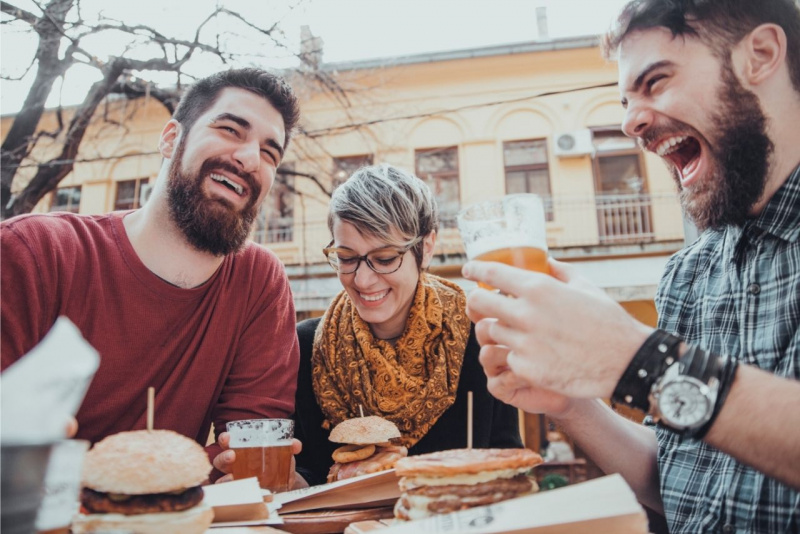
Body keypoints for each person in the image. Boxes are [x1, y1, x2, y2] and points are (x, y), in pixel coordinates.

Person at [462, 0, 800, 532]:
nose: (629, 122)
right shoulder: (688, 275)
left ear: (760, 54)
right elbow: (681, 479)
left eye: (656, 81)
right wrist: (573, 404)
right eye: (625, 99)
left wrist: (638, 359)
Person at [1, 68, 302, 481]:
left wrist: (233, 470)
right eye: (231, 129)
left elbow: (248, 449)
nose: (251, 159)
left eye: (270, 153)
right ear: (170, 138)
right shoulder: (35, 252)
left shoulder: (261, 281)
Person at [292, 164, 524, 486]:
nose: (362, 279)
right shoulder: (305, 347)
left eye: (385, 258)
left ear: (426, 248)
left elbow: (509, 460)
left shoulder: (479, 333)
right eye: (346, 258)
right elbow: (303, 473)